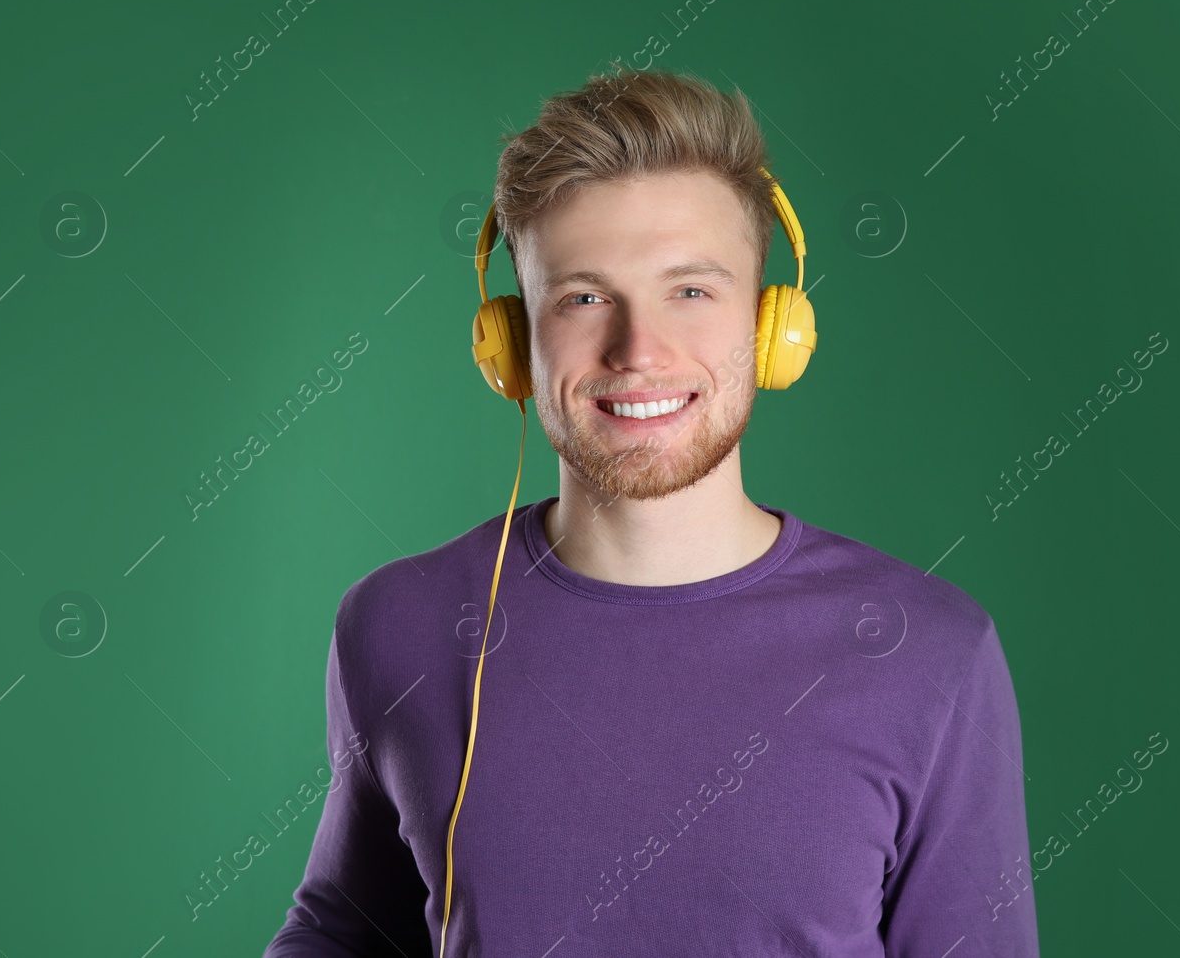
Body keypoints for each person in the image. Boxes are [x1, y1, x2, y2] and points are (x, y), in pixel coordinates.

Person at [264, 68, 1039, 957]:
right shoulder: (398, 624)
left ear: (772, 325)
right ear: (513, 341)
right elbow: (341, 928)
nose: (639, 351)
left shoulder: (928, 651)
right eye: (584, 297)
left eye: (692, 290)